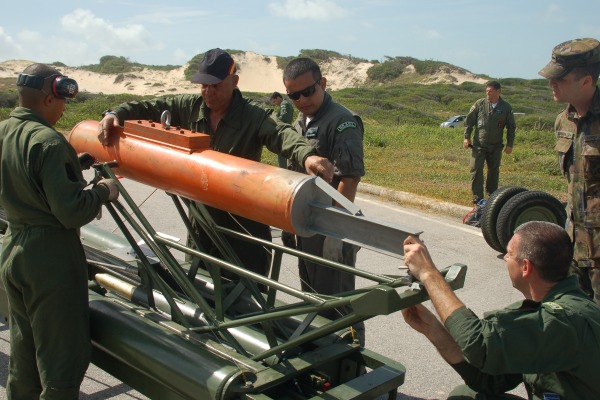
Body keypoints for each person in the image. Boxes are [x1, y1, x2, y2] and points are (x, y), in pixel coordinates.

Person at [98, 48, 333, 282]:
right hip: (201, 229)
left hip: (244, 234)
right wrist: (114, 113)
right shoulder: (189, 106)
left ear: (234, 81)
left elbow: (281, 133)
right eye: (203, 85)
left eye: (216, 85)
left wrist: (307, 156)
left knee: (245, 305)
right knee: (200, 293)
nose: (208, 92)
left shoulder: (253, 115)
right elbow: (148, 107)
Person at [0, 63, 119, 399]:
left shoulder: (5, 131)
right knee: (61, 360)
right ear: (50, 99)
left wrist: (73, 167)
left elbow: (25, 175)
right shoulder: (49, 143)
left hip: (14, 248)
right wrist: (103, 192)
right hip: (49, 260)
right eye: (63, 101)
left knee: (25, 351)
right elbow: (70, 211)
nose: (65, 108)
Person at [401, 221, 600, 399]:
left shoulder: (564, 320)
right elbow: (489, 380)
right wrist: (433, 330)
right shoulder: (549, 312)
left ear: (525, 267)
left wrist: (428, 273)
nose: (505, 258)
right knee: (465, 397)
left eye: (510, 254)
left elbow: (479, 344)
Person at [282, 57, 365, 343]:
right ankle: (321, 359)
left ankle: (351, 362)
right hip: (307, 224)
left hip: (330, 228)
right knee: (313, 299)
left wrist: (335, 233)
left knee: (337, 303)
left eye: (308, 91)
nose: (302, 99)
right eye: (294, 95)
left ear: (323, 84)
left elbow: (349, 178)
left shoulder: (341, 121)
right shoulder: (299, 123)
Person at [538, 37, 600, 305]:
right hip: (575, 250)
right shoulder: (563, 121)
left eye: (559, 79)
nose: (551, 83)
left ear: (586, 81)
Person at [463, 81, 516, 204]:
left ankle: (492, 195)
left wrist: (510, 144)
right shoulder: (479, 104)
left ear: (498, 92)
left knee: (493, 171)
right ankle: (477, 197)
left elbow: (511, 127)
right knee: (476, 170)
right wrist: (466, 137)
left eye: (490, 91)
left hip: (496, 146)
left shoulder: (506, 107)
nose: (488, 93)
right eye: (486, 91)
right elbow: (469, 121)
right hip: (478, 145)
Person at [270, 91, 294, 168]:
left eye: (274, 101)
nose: (275, 103)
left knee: (281, 153)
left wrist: (273, 119)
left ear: (278, 97)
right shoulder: (284, 104)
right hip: (285, 129)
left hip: (283, 130)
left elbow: (283, 118)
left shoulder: (284, 104)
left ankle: (284, 169)